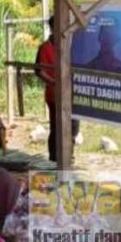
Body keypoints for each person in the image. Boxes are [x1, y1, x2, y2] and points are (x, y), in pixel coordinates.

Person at [34, 18, 80, 163]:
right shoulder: (45, 48)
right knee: (57, 126)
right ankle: (55, 158)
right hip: (54, 94)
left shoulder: (70, 45)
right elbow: (40, 71)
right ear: (53, 28)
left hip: (72, 93)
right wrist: (55, 83)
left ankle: (68, 155)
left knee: (73, 126)